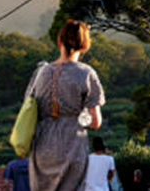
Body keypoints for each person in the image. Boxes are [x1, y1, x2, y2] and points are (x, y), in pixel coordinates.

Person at [28, 20, 105, 191]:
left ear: (59, 41)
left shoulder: (41, 73)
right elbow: (95, 122)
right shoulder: (86, 73)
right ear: (84, 45)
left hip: (42, 145)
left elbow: (30, 108)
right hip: (72, 142)